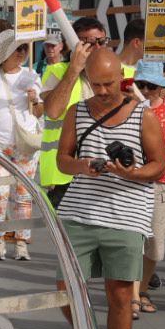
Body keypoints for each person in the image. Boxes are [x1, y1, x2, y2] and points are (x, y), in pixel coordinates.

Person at [55, 48, 165, 329]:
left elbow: (158, 166)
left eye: (109, 83)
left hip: (126, 214)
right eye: (97, 84)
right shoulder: (78, 112)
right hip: (79, 212)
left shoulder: (142, 115)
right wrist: (82, 166)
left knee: (120, 295)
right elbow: (62, 159)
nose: (103, 91)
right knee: (65, 290)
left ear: (121, 76)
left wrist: (129, 173)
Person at [0, 30, 43, 260]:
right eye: (17, 49)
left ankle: (22, 243)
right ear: (5, 52)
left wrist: (34, 98)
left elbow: (39, 112)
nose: (22, 54)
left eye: (24, 49)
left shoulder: (32, 75)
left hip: (25, 144)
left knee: (24, 194)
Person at [39, 17, 114, 207]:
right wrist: (74, 69)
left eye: (101, 42)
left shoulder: (115, 73)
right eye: (88, 43)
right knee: (66, 235)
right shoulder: (57, 71)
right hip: (66, 174)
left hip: (106, 169)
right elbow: (53, 111)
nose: (96, 48)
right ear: (73, 45)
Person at [130, 62, 165, 316]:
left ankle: (143, 288)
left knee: (155, 245)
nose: (146, 90)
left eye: (152, 85)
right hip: (133, 180)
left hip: (162, 181)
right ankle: (133, 296)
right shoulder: (129, 108)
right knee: (133, 241)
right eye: (141, 84)